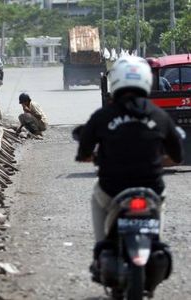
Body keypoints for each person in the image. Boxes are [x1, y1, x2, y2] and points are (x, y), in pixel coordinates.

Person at [75, 56, 184, 269]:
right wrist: (159, 161)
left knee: (96, 200)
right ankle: (156, 241)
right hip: (151, 190)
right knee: (160, 204)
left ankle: (101, 250)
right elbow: (177, 156)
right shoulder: (160, 115)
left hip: (112, 190)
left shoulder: (102, 116)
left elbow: (84, 153)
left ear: (115, 80)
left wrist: (93, 157)